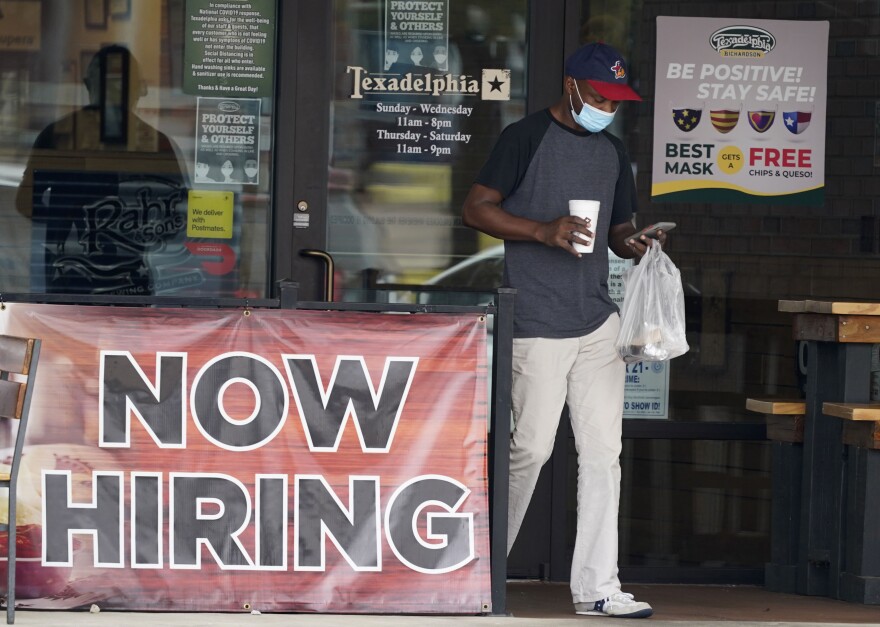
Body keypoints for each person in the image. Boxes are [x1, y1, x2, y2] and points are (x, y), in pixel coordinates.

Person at [461, 42, 666, 619]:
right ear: (572, 85)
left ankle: (598, 587)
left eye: (616, 100)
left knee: (604, 453)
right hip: (538, 320)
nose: (607, 106)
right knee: (529, 449)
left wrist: (636, 243)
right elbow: (476, 208)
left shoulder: (610, 150)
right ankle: (476, 569)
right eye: (600, 95)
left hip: (598, 319)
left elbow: (617, 229)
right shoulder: (523, 138)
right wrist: (541, 230)